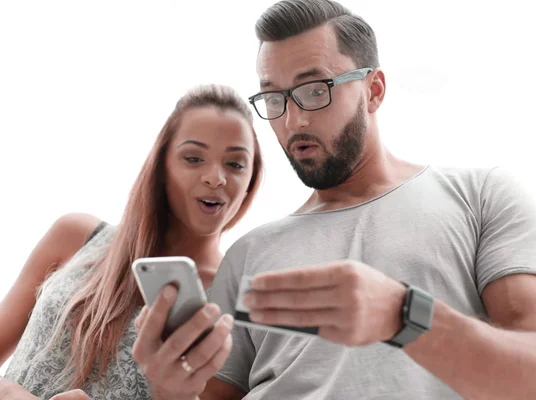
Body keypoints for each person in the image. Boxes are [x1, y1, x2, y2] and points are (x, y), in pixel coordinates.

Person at [133, 1, 536, 399]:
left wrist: (405, 315)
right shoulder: (248, 254)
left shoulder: (480, 195)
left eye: (314, 90)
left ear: (373, 90)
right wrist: (169, 390)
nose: (293, 121)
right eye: (274, 98)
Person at [0, 84, 264, 400]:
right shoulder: (75, 235)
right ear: (162, 164)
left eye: (235, 164)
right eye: (194, 157)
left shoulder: (235, 307)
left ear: (251, 180)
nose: (215, 177)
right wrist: (9, 395)